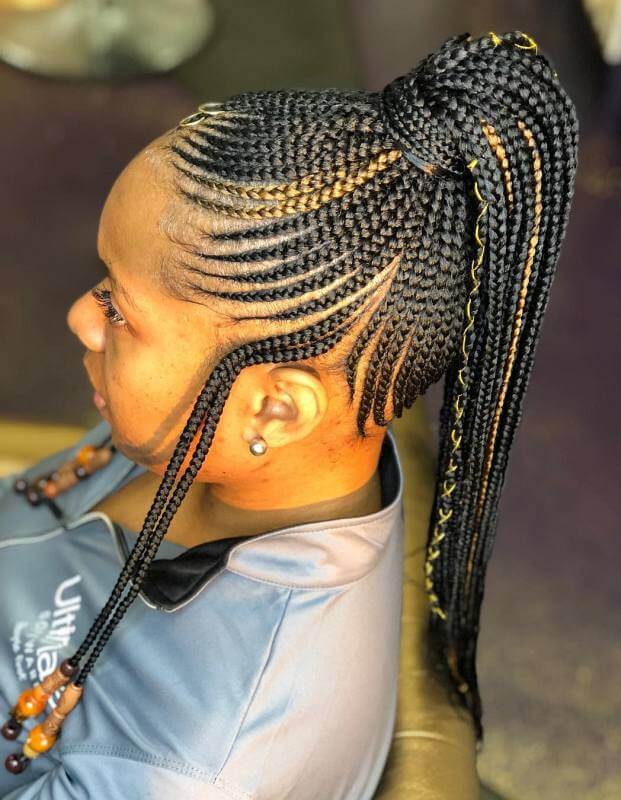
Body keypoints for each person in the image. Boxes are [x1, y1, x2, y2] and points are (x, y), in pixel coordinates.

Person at [0, 30, 578, 799]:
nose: (81, 316)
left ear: (276, 409)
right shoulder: (223, 432)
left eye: (120, 311)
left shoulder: (187, 765)